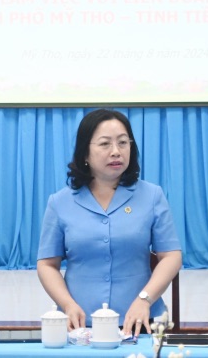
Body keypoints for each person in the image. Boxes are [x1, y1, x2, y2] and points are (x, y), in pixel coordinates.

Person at [37, 109, 182, 337]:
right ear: (85, 153)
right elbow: (47, 265)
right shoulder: (59, 202)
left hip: (141, 321)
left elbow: (171, 256)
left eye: (123, 143)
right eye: (105, 144)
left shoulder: (152, 195)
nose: (116, 152)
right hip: (80, 325)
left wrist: (145, 299)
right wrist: (67, 304)